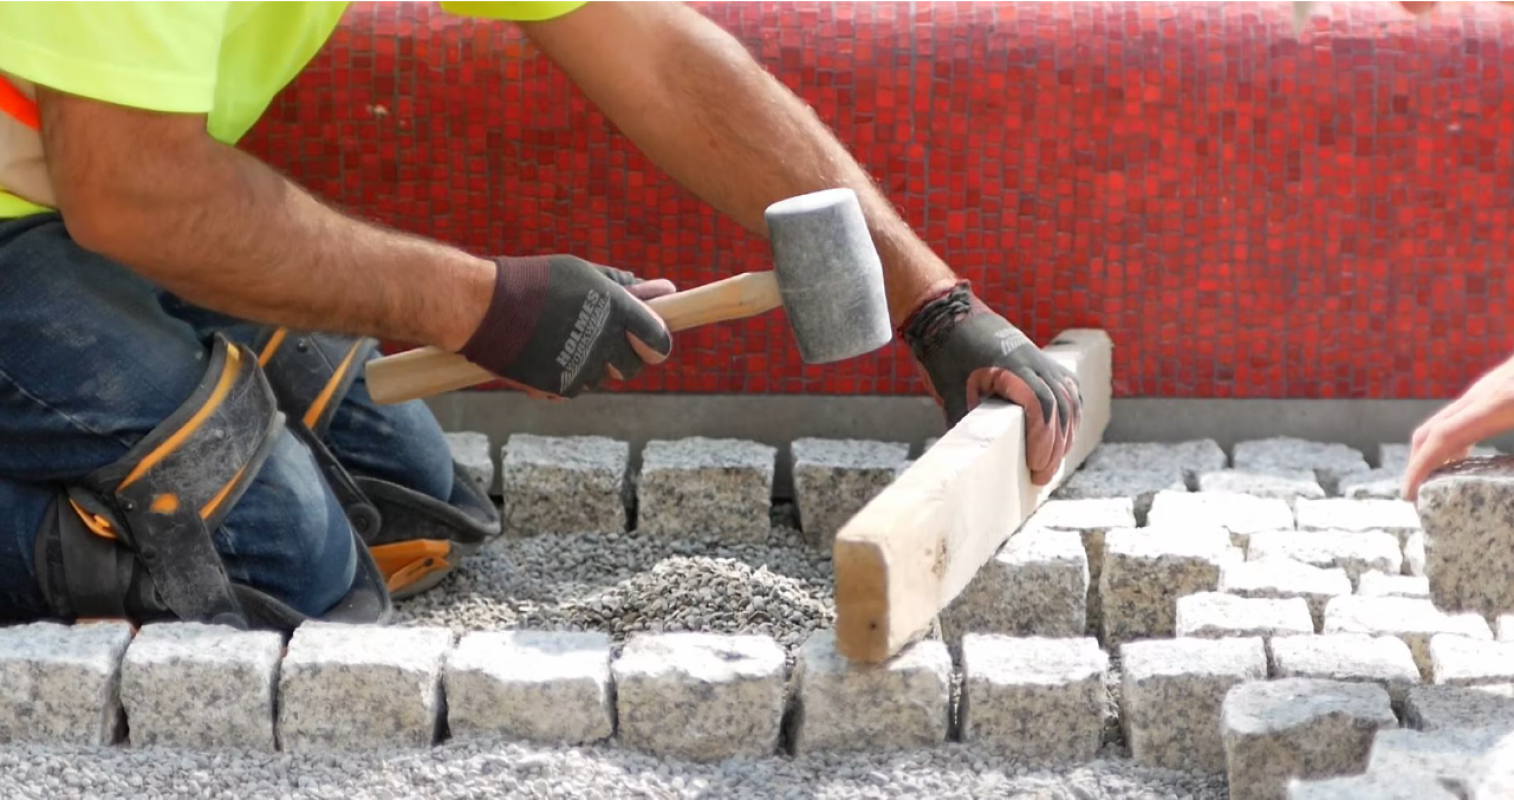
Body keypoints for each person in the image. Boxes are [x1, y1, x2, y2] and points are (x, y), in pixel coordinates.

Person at [0, 1, 1082, 631]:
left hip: (59, 201)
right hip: (88, 197)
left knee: (410, 510)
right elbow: (136, 186)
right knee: (277, 568)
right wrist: (479, 301)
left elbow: (649, 52)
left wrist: (933, 303)